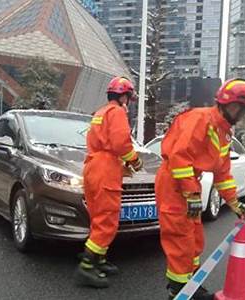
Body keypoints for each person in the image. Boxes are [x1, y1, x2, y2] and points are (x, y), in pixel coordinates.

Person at [155, 78, 245, 299]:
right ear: (232, 105)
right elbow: (179, 157)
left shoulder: (223, 133)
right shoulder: (200, 119)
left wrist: (234, 203)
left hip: (188, 184)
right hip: (173, 184)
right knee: (180, 239)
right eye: (243, 110)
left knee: (194, 238)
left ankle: (191, 282)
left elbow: (222, 174)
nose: (243, 116)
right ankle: (178, 291)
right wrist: (191, 192)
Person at [75, 77, 144, 288]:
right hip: (105, 169)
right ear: (124, 96)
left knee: (98, 218)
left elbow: (103, 142)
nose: (129, 101)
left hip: (93, 166)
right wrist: (135, 160)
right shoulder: (117, 113)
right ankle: (87, 267)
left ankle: (99, 260)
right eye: (129, 97)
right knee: (107, 221)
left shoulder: (100, 113)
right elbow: (121, 144)